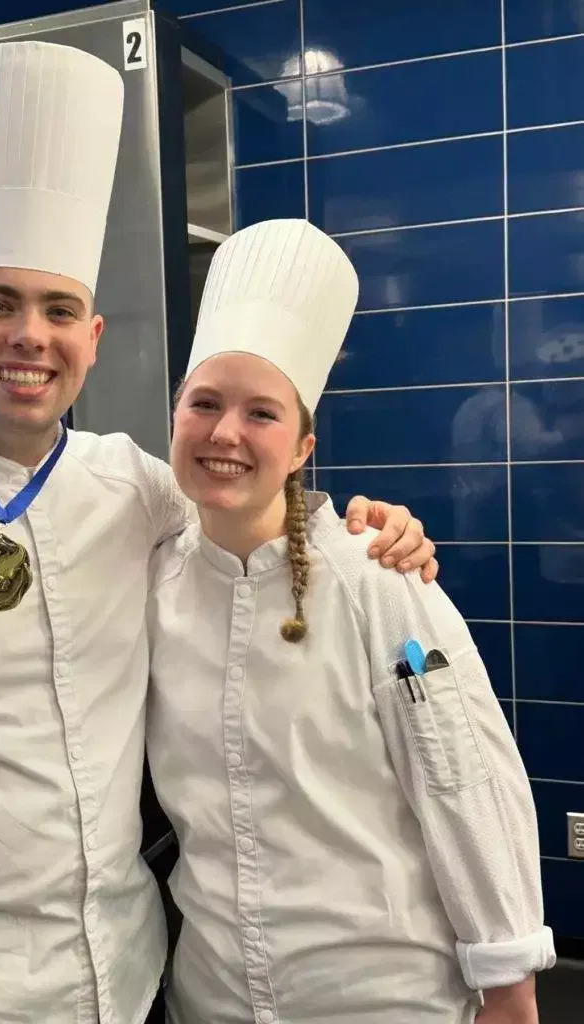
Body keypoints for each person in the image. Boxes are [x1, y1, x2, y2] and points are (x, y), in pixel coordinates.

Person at [0, 45, 437, 1024]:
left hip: (125, 979)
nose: (29, 335)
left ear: (93, 338)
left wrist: (378, 536)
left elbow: (256, 533)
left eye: (58, 309)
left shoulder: (134, 486)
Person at [146, 219, 556, 1024]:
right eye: (205, 403)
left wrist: (508, 979)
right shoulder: (151, 580)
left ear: (301, 447)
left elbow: (459, 777)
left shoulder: (378, 580)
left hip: (379, 994)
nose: (225, 432)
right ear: (174, 417)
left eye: (260, 414)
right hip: (214, 993)